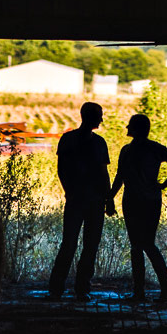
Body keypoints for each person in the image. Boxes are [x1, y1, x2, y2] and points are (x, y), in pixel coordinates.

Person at [109, 113, 167, 305]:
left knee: (137, 246)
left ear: (136, 129)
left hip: (132, 201)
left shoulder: (126, 151)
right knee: (147, 244)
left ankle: (141, 291)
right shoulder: (155, 148)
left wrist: (110, 199)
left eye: (130, 126)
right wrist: (163, 184)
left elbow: (120, 178)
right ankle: (164, 286)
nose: (126, 129)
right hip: (151, 200)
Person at [48, 101, 115, 300]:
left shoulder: (68, 139)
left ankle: (57, 289)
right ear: (91, 117)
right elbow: (104, 174)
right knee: (89, 245)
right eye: (99, 115)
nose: (102, 119)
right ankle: (81, 289)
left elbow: (62, 170)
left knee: (70, 244)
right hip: (92, 200)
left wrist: (69, 191)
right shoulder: (99, 143)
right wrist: (108, 199)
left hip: (77, 200)